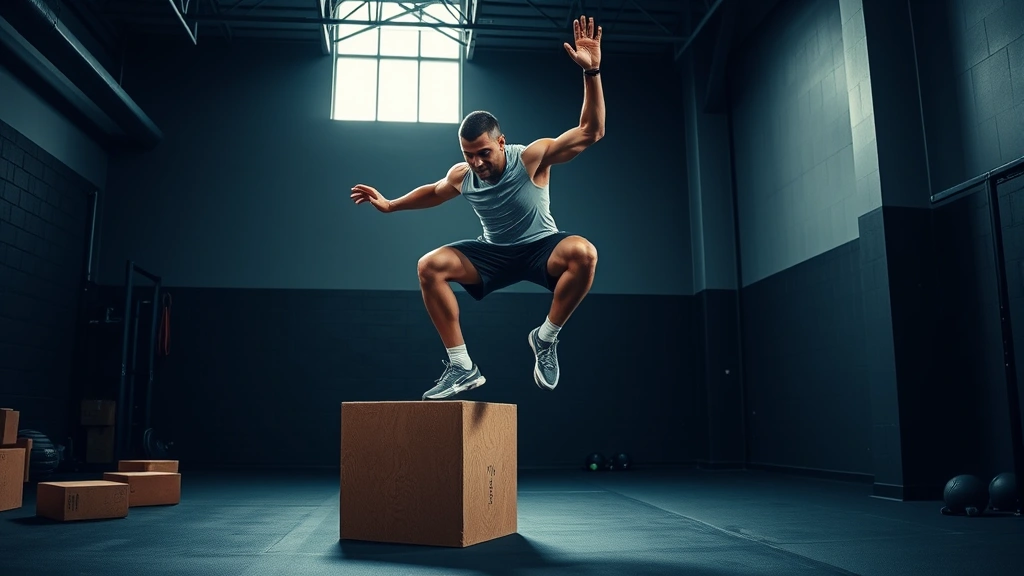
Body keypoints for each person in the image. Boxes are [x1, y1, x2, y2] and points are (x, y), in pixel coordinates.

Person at [351, 14, 605, 401]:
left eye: (484, 153)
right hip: (493, 254)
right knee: (429, 266)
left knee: (584, 254)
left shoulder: (532, 158)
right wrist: (390, 205)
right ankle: (461, 366)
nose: (477, 163)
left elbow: (591, 132)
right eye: (469, 155)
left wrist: (593, 73)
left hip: (541, 247)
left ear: (501, 142)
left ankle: (545, 338)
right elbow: (435, 192)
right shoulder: (463, 174)